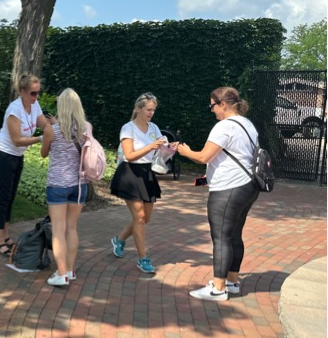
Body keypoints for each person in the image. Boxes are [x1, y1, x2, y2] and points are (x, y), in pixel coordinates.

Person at [177, 87, 260, 301]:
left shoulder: (224, 126)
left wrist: (185, 152)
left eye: (212, 106)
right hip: (248, 186)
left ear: (223, 104)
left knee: (221, 237)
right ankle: (232, 281)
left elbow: (204, 157)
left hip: (228, 188)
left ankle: (218, 288)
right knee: (234, 235)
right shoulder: (247, 124)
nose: (212, 110)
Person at [109, 93, 172, 275]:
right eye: (148, 109)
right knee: (139, 217)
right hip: (129, 173)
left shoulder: (154, 127)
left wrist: (169, 149)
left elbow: (161, 152)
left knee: (145, 218)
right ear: (138, 109)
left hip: (147, 173)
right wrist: (151, 146)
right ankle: (143, 259)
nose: (151, 113)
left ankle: (119, 239)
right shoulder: (127, 128)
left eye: (153, 110)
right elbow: (129, 155)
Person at [0, 74, 49, 255]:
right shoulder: (14, 110)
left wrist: (56, 128)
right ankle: (0, 239)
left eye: (38, 93)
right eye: (33, 93)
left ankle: (6, 235)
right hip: (4, 154)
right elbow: (16, 140)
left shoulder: (34, 105)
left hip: (17, 155)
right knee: (3, 197)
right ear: (22, 91)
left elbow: (45, 124)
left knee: (11, 196)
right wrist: (41, 138)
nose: (36, 97)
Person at [40, 88, 91, 287]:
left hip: (57, 184)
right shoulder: (86, 128)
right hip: (79, 184)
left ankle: (61, 274)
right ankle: (69, 270)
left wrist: (51, 128)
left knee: (58, 230)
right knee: (72, 228)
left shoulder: (51, 130)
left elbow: (44, 153)